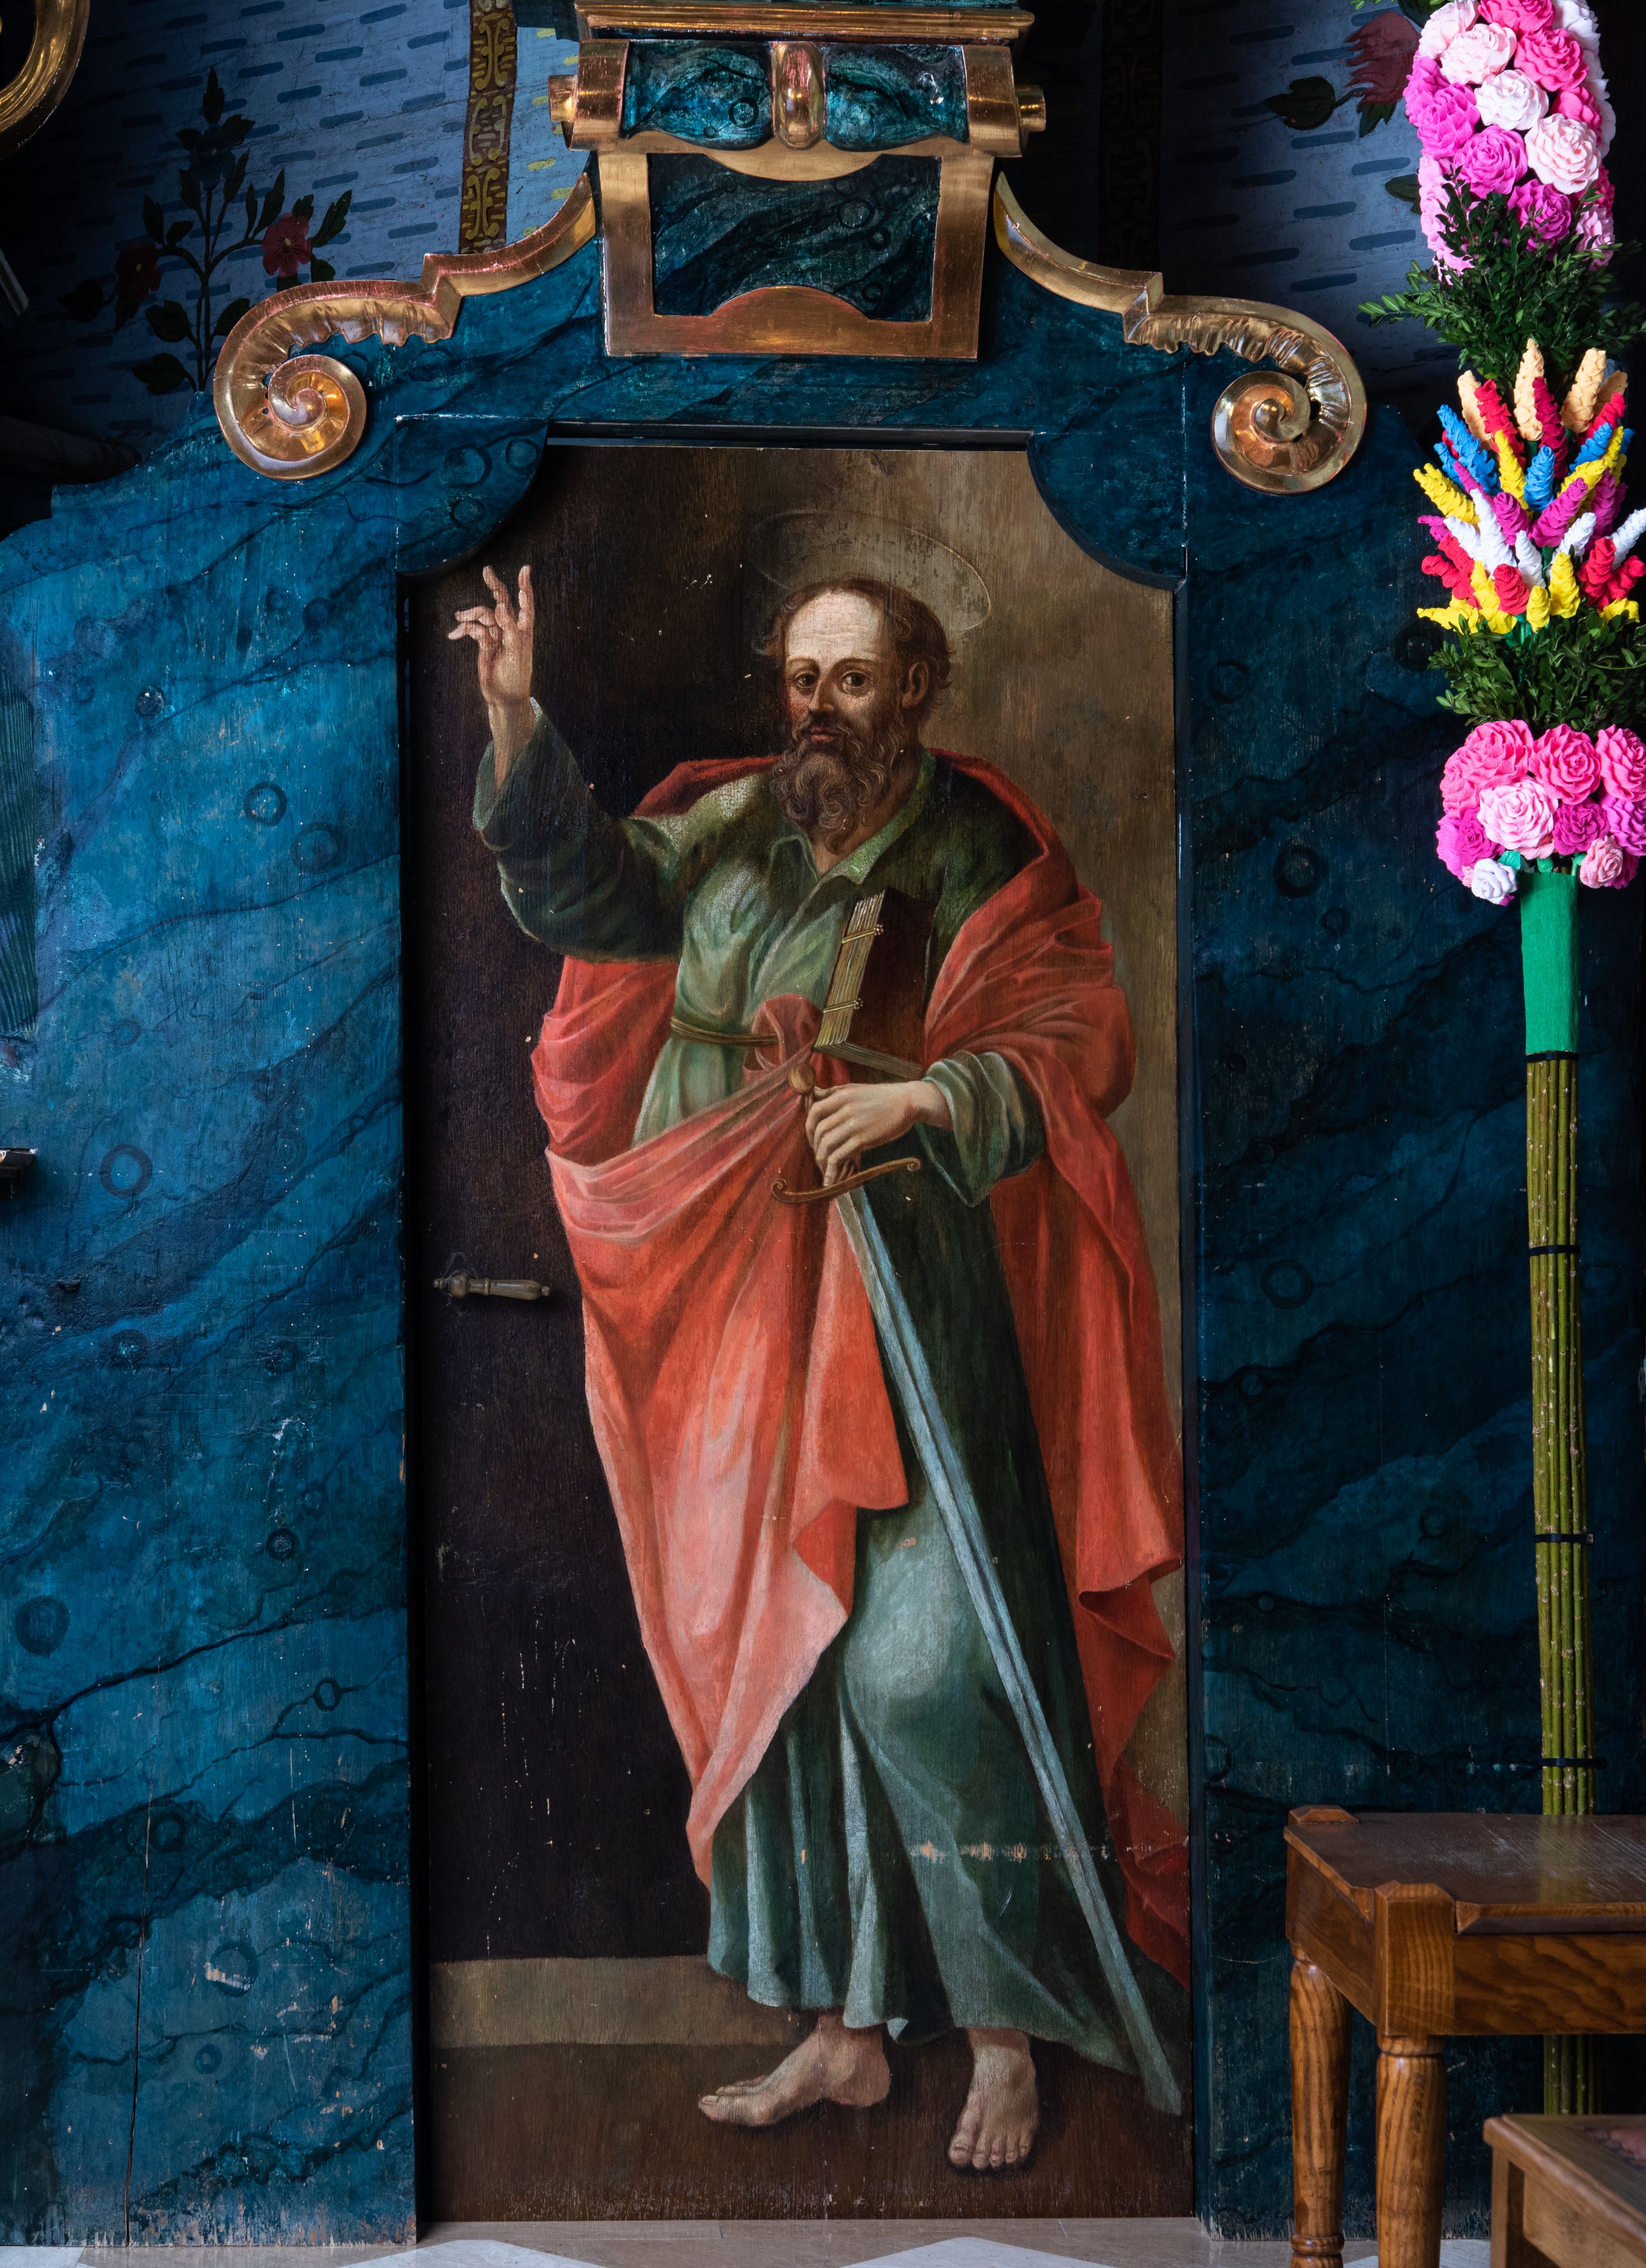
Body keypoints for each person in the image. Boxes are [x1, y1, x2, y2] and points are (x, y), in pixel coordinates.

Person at [452, 560, 1186, 2171]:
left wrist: (928, 1098)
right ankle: (845, 2031)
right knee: (776, 1660)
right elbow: (595, 894)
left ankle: (1005, 2033)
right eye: (802, 680)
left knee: (922, 1664)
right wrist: (514, 726)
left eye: (852, 681)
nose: (821, 712)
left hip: (904, 1284)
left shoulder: (977, 844)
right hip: (728, 1276)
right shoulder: (733, 821)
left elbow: (1081, 1037)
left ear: (914, 690)